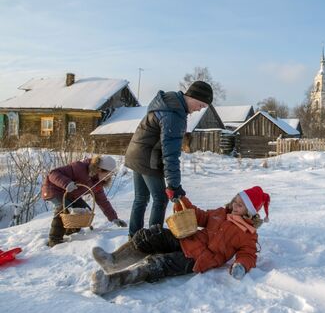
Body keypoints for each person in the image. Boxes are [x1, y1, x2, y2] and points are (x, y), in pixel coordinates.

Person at [90, 186, 270, 295]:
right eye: (235, 201)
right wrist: (181, 199)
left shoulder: (248, 233)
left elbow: (248, 254)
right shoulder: (221, 213)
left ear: (250, 212)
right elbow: (199, 216)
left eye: (240, 205)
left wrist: (241, 265)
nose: (234, 205)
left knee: (157, 264)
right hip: (187, 239)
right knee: (152, 234)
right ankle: (113, 261)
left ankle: (111, 282)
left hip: (197, 259)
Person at [125, 81, 213, 238]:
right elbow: (170, 154)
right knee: (160, 199)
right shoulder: (174, 114)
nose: (199, 109)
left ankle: (134, 237)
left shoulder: (166, 103)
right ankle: (152, 241)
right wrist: (173, 185)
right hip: (148, 157)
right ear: (192, 97)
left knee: (141, 198)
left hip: (136, 153)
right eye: (201, 105)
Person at [41, 155, 127, 247]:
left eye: (112, 174)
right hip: (53, 189)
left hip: (70, 195)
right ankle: (54, 239)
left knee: (85, 211)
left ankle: (69, 231)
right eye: (108, 173)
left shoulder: (97, 182)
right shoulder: (80, 168)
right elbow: (52, 174)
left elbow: (103, 201)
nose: (109, 177)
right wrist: (67, 183)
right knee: (65, 208)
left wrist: (113, 218)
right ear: (99, 169)